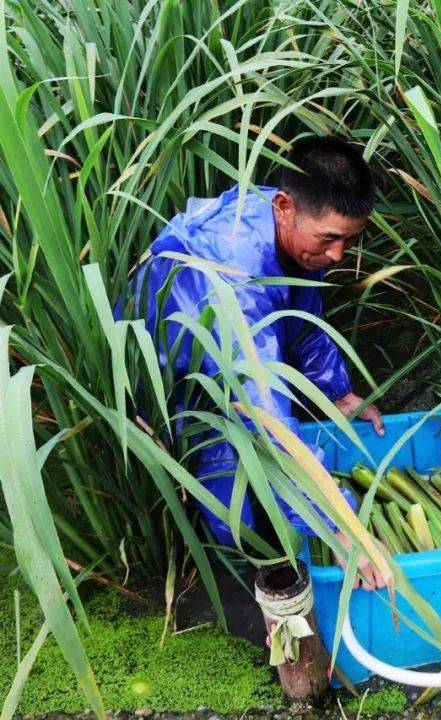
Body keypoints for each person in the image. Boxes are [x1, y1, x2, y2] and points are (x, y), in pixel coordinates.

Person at [130, 136, 385, 584]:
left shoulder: (293, 224)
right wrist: (342, 528)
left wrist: (334, 388)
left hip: (231, 356)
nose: (338, 255)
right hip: (171, 370)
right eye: (329, 239)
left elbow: (304, 311)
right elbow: (263, 416)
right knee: (238, 520)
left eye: (350, 239)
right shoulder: (235, 274)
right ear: (285, 206)